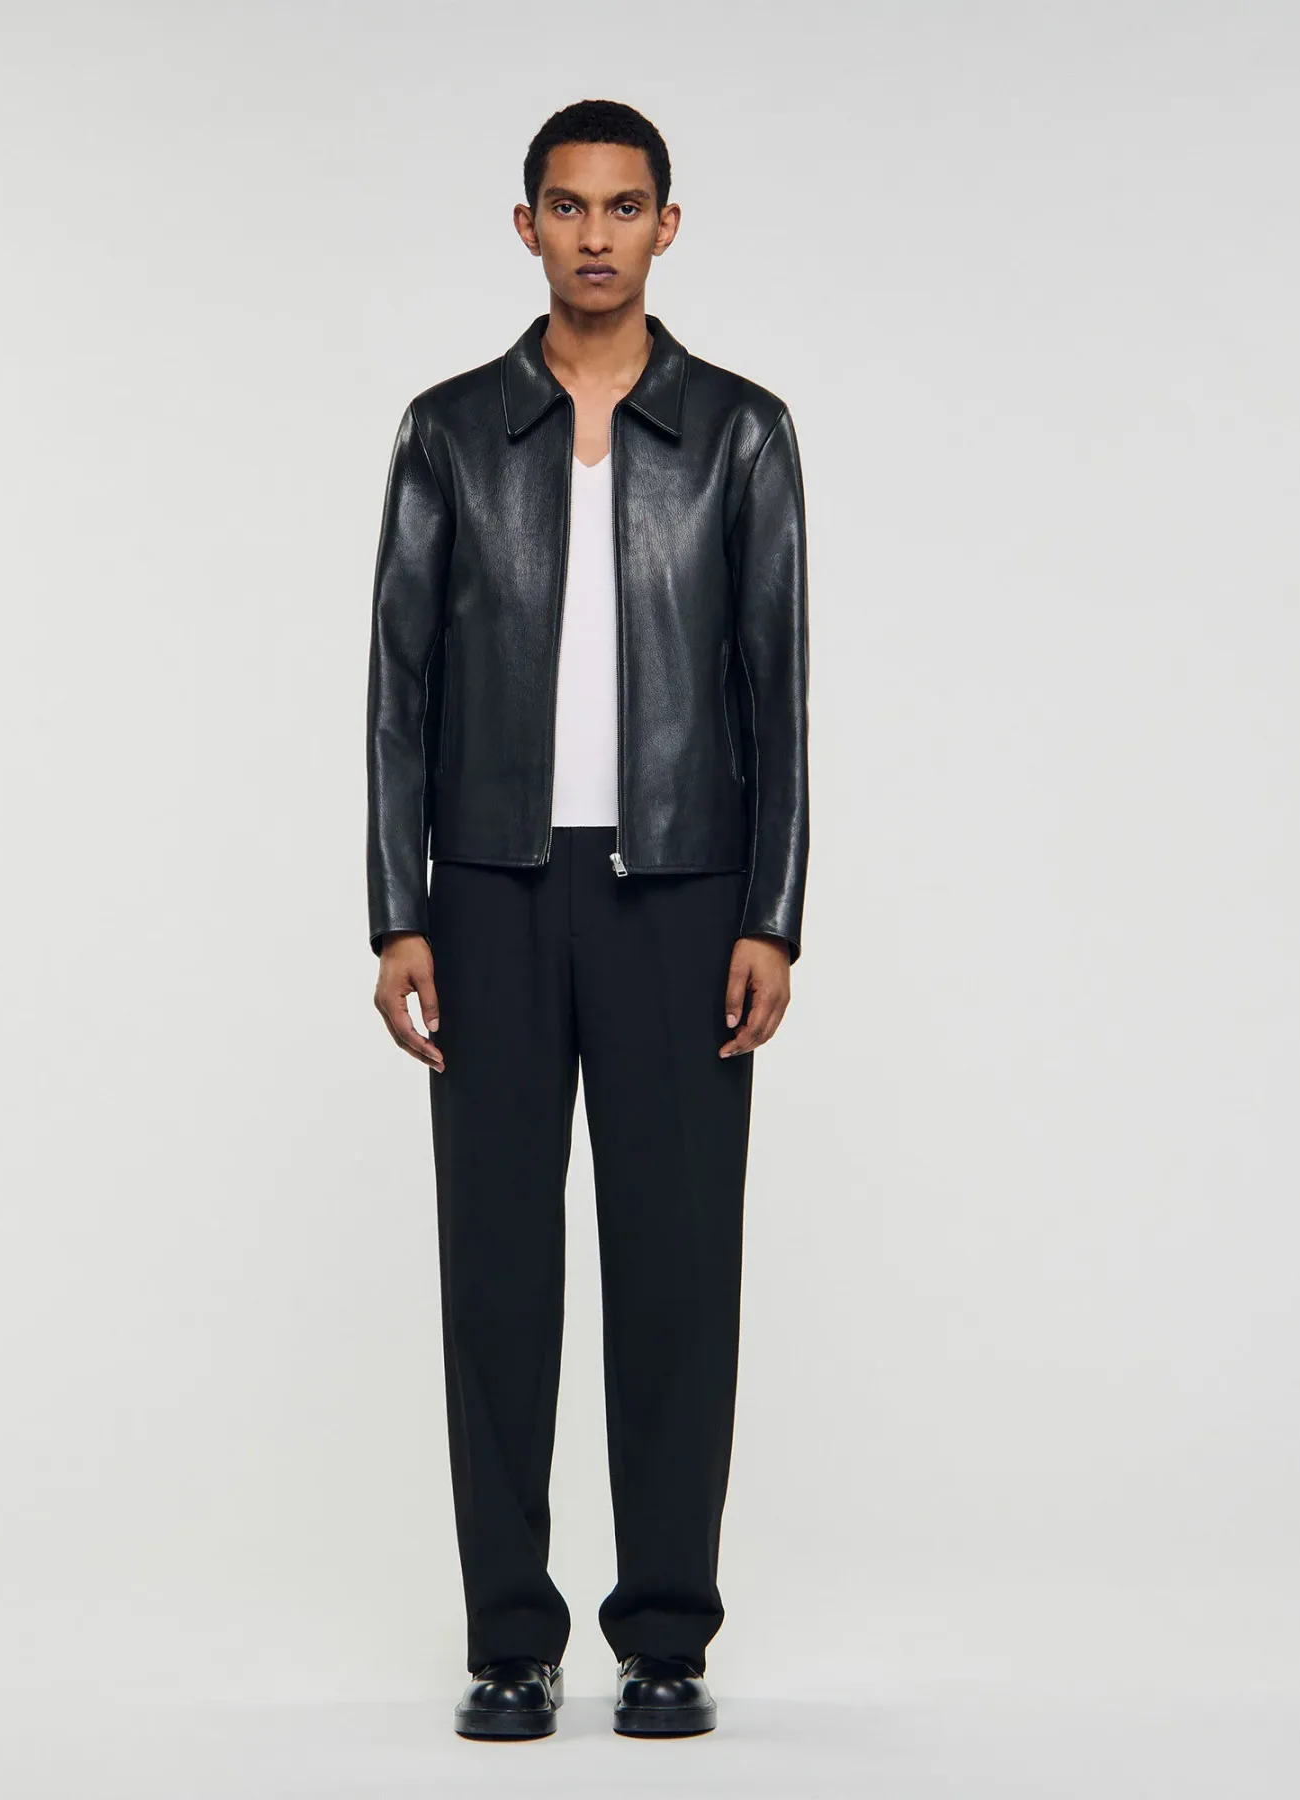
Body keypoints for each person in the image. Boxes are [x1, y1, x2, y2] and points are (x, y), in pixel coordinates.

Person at [364, 96, 810, 1740]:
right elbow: (398, 688)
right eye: (569, 206)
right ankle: (510, 1639)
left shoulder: (742, 434)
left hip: (682, 896)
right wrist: (397, 911)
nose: (598, 234)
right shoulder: (449, 432)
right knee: (496, 1273)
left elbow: (779, 691)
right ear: (528, 226)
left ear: (667, 227)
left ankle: (667, 1636)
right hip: (487, 891)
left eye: (626, 207)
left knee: (678, 1269)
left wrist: (773, 912)